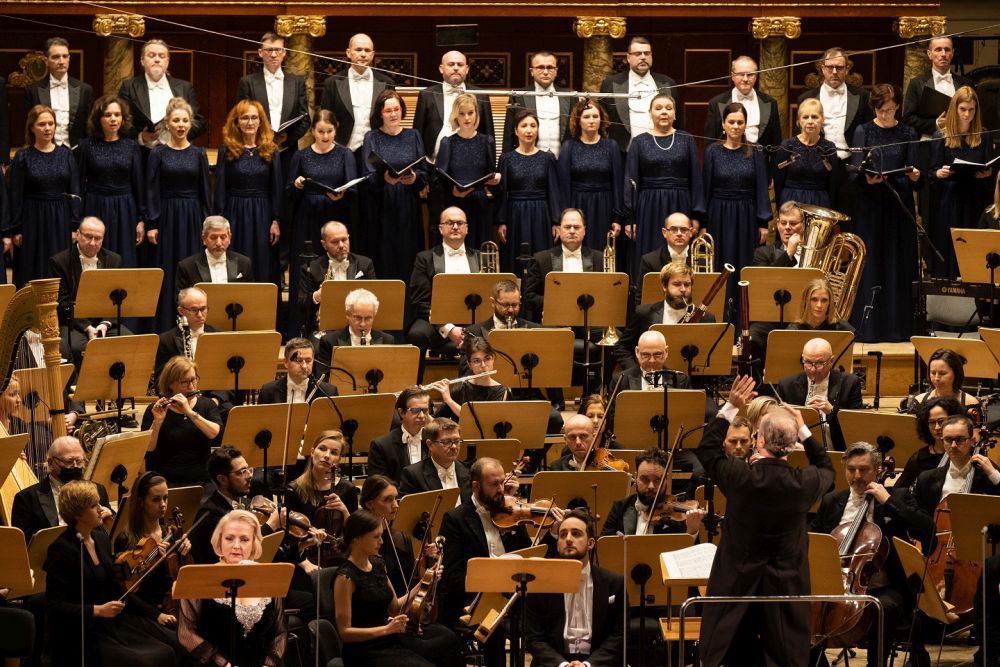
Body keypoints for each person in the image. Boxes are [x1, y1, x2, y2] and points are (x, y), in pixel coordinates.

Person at [696, 374, 834, 667]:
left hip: (736, 585)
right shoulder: (804, 483)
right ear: (792, 443)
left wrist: (730, 407)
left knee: (732, 657)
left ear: (758, 440)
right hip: (784, 586)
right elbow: (827, 467)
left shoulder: (740, 476)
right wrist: (804, 430)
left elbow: (707, 449)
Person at [809, 442, 928, 667]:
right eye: (851, 469)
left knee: (883, 607)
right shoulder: (832, 501)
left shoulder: (897, 496)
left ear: (878, 470)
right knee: (800, 607)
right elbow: (815, 542)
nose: (857, 476)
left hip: (886, 586)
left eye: (863, 470)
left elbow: (926, 529)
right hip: (837, 583)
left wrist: (888, 501)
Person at [44, 480, 177, 666]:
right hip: (81, 632)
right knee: (143, 660)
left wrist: (154, 614)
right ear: (77, 514)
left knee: (166, 651)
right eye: (93, 506)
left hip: (111, 625)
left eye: (99, 503)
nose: (101, 509)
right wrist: (98, 610)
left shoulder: (101, 539)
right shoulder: (61, 550)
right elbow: (54, 606)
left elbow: (118, 586)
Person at [910, 414, 1000, 666]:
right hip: (938, 551)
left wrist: (994, 474)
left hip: (979, 552)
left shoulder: (988, 474)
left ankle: (986, 653)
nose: (953, 446)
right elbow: (917, 517)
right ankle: (917, 652)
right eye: (948, 440)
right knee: (908, 576)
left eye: (959, 440)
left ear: (972, 440)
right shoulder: (930, 479)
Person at [439, 457, 546, 667]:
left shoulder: (511, 511)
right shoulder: (455, 519)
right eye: (494, 484)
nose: (501, 489)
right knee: (493, 628)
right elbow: (453, 576)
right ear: (476, 486)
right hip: (474, 602)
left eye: (502, 482)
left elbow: (528, 554)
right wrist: (489, 585)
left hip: (516, 594)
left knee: (547, 613)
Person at [333, 509, 463, 667]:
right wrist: (387, 629)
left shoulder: (377, 564)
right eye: (376, 537)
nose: (381, 541)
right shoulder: (345, 577)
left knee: (447, 640)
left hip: (389, 637)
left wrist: (425, 581)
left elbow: (395, 608)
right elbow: (345, 633)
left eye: (381, 535)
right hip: (365, 650)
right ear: (357, 539)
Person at [848, 83, 921, 342]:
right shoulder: (863, 130)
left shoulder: (907, 131)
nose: (887, 114)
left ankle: (897, 328)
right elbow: (856, 168)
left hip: (898, 203)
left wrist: (915, 175)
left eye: (891, 109)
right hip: (871, 204)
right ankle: (869, 328)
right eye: (882, 110)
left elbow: (914, 168)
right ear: (874, 108)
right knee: (872, 262)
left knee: (897, 263)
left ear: (898, 106)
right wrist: (866, 179)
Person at [178, 510, 286, 666]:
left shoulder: (268, 579)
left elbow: (279, 633)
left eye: (244, 539)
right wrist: (224, 664)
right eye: (229, 538)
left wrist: (269, 664)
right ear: (219, 541)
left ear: (254, 544)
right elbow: (186, 633)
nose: (236, 546)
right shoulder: (197, 578)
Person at [285, 110, 358, 336]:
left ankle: (339, 324)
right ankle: (302, 328)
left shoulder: (345, 154)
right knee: (307, 269)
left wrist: (343, 195)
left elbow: (354, 188)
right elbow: (289, 193)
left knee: (334, 266)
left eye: (329, 131)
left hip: (335, 216)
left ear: (336, 130)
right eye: (320, 131)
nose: (325, 136)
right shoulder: (301, 155)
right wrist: (297, 185)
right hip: (308, 217)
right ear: (313, 131)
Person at [525, 510, 626, 667]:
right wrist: (562, 665)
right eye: (563, 535)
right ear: (557, 544)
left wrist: (588, 665)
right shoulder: (539, 584)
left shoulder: (614, 583)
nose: (568, 539)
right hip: (554, 662)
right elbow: (534, 638)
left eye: (576, 534)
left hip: (598, 661)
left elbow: (619, 635)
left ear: (591, 543)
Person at [145, 96, 211, 331]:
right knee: (168, 271)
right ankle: (166, 328)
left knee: (192, 269)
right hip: (168, 216)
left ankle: (194, 325)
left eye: (185, 120)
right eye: (176, 120)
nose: (181, 125)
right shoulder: (158, 153)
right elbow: (151, 190)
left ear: (190, 123)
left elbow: (205, 192)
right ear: (167, 124)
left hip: (192, 217)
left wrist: (206, 225)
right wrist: (152, 223)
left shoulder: (198, 154)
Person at [624, 93, 703, 278]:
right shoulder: (639, 142)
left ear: (675, 114)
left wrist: (697, 216)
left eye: (668, 108)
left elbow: (696, 179)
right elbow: (630, 181)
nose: (664, 112)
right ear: (650, 113)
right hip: (648, 207)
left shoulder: (687, 139)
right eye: (658, 108)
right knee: (650, 256)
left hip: (680, 204)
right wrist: (630, 218)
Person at [112, 471, 192, 647]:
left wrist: (185, 552)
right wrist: (157, 615)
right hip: (142, 614)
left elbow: (183, 577)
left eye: (165, 498)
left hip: (172, 607)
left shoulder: (169, 533)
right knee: (183, 644)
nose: (163, 505)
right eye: (156, 499)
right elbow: (124, 593)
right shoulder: (126, 540)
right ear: (140, 502)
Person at [703, 102, 771, 296]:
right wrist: (703, 222)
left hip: (746, 215)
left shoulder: (756, 151)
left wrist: (763, 223)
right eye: (731, 121)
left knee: (745, 262)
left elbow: (761, 189)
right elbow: (706, 187)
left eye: (740, 122)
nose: (735, 126)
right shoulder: (712, 151)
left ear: (745, 125)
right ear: (723, 124)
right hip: (719, 214)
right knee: (719, 263)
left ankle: (743, 317)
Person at [7, 104, 79, 286]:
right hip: (32, 218)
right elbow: (16, 195)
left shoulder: (66, 155)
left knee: (59, 268)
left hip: (59, 218)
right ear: (32, 127)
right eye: (41, 124)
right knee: (31, 267)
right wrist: (16, 229)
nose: (47, 128)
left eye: (50, 123)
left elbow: (74, 191)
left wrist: (74, 225)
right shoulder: (23, 156)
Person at [405, 206, 482, 377]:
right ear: (441, 228)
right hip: (436, 322)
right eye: (449, 223)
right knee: (417, 334)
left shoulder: (480, 257)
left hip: (473, 320)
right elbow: (419, 302)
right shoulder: (424, 258)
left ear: (467, 228)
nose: (455, 227)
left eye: (459, 223)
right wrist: (449, 329)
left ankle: (473, 393)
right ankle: (414, 391)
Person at [214, 99, 282, 285]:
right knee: (237, 261)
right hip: (235, 212)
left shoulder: (271, 150)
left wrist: (276, 220)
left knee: (263, 260)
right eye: (244, 118)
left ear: (261, 122)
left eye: (254, 118)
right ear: (236, 122)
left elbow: (276, 188)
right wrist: (221, 221)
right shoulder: (227, 150)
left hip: (263, 213)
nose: (250, 122)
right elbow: (221, 188)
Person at [48, 216, 131, 367]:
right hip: (73, 323)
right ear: (78, 234)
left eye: (97, 238)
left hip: (104, 322)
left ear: (103, 238)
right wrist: (88, 328)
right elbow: (62, 302)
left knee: (128, 340)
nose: (93, 243)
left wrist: (105, 324)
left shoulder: (114, 260)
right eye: (88, 237)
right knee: (77, 347)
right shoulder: (59, 262)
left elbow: (118, 299)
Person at [929, 85, 994, 278]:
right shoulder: (941, 135)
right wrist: (939, 173)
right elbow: (932, 172)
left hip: (975, 199)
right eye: (963, 109)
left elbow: (989, 168)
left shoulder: (983, 134)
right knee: (952, 245)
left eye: (971, 110)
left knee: (975, 248)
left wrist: (987, 174)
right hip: (951, 199)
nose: (967, 114)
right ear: (954, 109)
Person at [363, 90, 427, 281]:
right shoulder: (372, 137)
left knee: (409, 253)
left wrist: (415, 178)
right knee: (384, 255)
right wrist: (385, 178)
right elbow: (368, 175)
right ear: (380, 113)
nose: (393, 114)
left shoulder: (413, 135)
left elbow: (424, 171)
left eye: (396, 109)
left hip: (408, 203)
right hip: (382, 204)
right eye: (388, 110)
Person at [76, 94, 144, 266]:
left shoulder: (131, 146)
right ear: (98, 119)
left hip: (125, 208)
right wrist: (77, 219)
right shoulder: (86, 146)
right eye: (107, 115)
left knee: (123, 257)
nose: (113, 119)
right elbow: (78, 184)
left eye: (117, 114)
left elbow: (138, 185)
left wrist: (141, 219)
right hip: (95, 205)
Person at [615, 261, 716, 371]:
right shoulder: (644, 313)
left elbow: (712, 357)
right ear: (664, 286)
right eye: (677, 284)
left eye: (687, 284)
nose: (683, 289)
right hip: (651, 379)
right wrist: (636, 373)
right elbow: (622, 347)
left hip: (691, 380)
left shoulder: (706, 318)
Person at [285, 429, 357, 580]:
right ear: (312, 452)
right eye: (322, 448)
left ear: (339, 459)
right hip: (304, 560)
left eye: (334, 452)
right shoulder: (294, 489)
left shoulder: (347, 489)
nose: (327, 455)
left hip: (341, 558)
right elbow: (287, 538)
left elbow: (355, 534)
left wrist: (344, 511)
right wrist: (304, 563)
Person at [188, 447, 280, 564]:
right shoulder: (210, 515)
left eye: (248, 469)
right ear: (222, 479)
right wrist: (271, 526)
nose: (249, 476)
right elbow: (234, 555)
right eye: (241, 472)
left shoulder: (247, 502)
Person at [11, 435, 113, 541]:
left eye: (79, 461)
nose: (75, 466)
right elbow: (24, 544)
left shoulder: (98, 489)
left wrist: (109, 516)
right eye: (69, 462)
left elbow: (112, 534)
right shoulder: (26, 498)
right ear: (51, 463)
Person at [496, 108, 561, 271]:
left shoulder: (547, 158)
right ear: (516, 130)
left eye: (533, 126)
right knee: (515, 257)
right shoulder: (507, 158)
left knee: (540, 257)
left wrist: (556, 221)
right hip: (514, 214)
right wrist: (501, 221)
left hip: (541, 214)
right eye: (524, 126)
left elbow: (553, 191)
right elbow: (502, 192)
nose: (529, 130)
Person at [141, 356, 222, 487]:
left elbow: (214, 433)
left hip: (203, 481)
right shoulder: (155, 409)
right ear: (170, 384)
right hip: (167, 483)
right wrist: (158, 421)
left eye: (194, 380)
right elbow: (149, 448)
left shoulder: (207, 405)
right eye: (185, 382)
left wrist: (189, 412)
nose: (191, 387)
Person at [557, 97, 625, 253]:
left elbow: (617, 183)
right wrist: (565, 216)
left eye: (595, 116)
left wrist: (617, 218)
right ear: (578, 120)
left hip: (604, 205)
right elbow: (564, 185)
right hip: (577, 203)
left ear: (601, 120)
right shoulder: (569, 146)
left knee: (602, 250)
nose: (592, 120)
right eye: (586, 117)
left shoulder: (611, 145)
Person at [236, 31, 309, 173]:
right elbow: (240, 118)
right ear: (260, 52)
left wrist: (285, 142)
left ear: (284, 52)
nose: (273, 55)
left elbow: (305, 119)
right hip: (256, 149)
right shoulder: (247, 82)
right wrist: (263, 141)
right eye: (269, 50)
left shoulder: (297, 82)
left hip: (288, 151)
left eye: (278, 50)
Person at [775, 337, 863, 451]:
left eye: (819, 363)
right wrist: (805, 415)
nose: (812, 369)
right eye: (807, 362)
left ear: (831, 361)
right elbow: (776, 424)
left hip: (837, 451)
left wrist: (832, 411)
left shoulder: (850, 383)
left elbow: (856, 425)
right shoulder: (786, 385)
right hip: (799, 450)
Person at [436, 94, 500, 249]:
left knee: (479, 247)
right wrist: (453, 191)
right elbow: (438, 178)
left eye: (470, 113)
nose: (466, 118)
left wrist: (496, 179)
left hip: (479, 202)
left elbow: (491, 173)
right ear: (455, 116)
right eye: (462, 113)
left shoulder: (487, 141)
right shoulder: (448, 142)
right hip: (455, 202)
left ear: (476, 114)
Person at [600, 36, 682, 152]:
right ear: (628, 57)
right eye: (638, 54)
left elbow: (678, 122)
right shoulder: (611, 83)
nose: (643, 57)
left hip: (662, 151)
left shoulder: (668, 83)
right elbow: (603, 122)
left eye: (647, 53)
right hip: (623, 153)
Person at [412, 50, 495, 163]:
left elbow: (488, 132)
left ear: (467, 69)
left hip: (473, 164)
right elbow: (417, 133)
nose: (456, 68)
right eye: (451, 64)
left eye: (460, 65)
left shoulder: (481, 95)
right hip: (433, 164)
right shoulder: (427, 95)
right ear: (441, 68)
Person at [118, 39, 205, 146]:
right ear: (142, 60)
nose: (157, 59)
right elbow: (121, 121)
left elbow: (199, 123)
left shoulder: (185, 87)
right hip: (142, 154)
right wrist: (140, 136)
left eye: (162, 56)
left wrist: (179, 136)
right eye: (151, 55)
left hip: (176, 152)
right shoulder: (129, 86)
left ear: (167, 61)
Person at [601, 447, 705, 536]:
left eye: (657, 480)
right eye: (645, 479)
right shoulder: (620, 508)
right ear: (636, 477)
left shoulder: (678, 517)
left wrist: (692, 530)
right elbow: (605, 548)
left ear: (666, 479)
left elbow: (686, 555)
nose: (651, 486)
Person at [320, 33, 396, 155]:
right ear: (348, 53)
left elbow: (392, 118)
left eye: (367, 50)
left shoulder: (387, 83)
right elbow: (325, 119)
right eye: (358, 49)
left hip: (378, 150)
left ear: (372, 55)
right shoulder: (332, 83)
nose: (363, 54)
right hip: (342, 149)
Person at [298, 220, 376, 336]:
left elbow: (375, 297)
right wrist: (317, 296)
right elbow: (302, 304)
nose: (341, 245)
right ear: (324, 244)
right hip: (324, 328)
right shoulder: (311, 268)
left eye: (344, 240)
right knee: (319, 348)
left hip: (359, 324)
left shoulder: (365, 264)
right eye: (335, 242)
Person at [522, 208, 603, 320]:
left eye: (577, 227)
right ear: (559, 230)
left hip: (589, 321)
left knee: (618, 337)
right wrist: (559, 303)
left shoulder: (599, 259)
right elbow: (529, 298)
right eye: (567, 227)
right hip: (554, 321)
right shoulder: (541, 259)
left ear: (584, 231)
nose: (572, 231)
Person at [797, 47, 873, 162]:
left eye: (839, 67)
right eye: (829, 67)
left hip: (851, 163)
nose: (834, 72)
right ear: (822, 69)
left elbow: (870, 133)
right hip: (817, 163)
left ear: (847, 69)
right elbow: (801, 135)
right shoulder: (806, 98)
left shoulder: (863, 96)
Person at [24, 37, 93, 148]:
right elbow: (29, 127)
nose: (61, 61)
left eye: (65, 56)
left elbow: (89, 127)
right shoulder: (33, 91)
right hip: (44, 151)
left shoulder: (85, 90)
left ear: (69, 58)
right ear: (46, 60)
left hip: (76, 152)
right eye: (56, 57)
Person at [360, 474, 423, 595]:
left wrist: (426, 562)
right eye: (388, 500)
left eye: (396, 498)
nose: (396, 505)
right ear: (369, 504)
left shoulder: (401, 537)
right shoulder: (362, 541)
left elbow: (412, 578)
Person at [772, 98, 842, 208]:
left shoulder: (829, 147)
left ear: (822, 120)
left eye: (814, 117)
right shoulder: (787, 146)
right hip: (791, 202)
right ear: (799, 121)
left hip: (820, 202)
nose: (810, 121)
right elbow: (778, 180)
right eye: (805, 117)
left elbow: (833, 184)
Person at [703, 56, 782, 153]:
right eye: (741, 74)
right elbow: (709, 142)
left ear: (756, 76)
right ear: (732, 76)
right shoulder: (716, 103)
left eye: (750, 75)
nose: (745, 79)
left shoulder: (770, 103)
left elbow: (776, 143)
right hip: (725, 161)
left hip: (760, 162)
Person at [502, 51, 571, 156]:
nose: (546, 72)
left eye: (550, 67)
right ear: (532, 71)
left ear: (556, 71)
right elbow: (509, 135)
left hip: (562, 162)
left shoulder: (569, 96)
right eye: (540, 67)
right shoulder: (518, 96)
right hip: (527, 161)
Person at [315, 287, 395, 373]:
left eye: (368, 318)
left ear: (374, 315)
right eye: (358, 318)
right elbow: (323, 380)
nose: (363, 324)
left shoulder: (387, 341)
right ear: (348, 315)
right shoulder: (329, 342)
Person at [431, 336, 509, 420]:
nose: (483, 365)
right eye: (477, 361)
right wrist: (422, 408)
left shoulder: (501, 391)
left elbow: (481, 422)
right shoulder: (460, 387)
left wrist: (449, 401)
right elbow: (437, 421)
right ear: (469, 364)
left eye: (487, 359)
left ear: (493, 359)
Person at [398, 417, 472, 504]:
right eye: (446, 442)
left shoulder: (470, 471)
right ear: (430, 444)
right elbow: (408, 512)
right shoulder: (413, 475)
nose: (454, 447)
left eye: (457, 441)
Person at [895, 396, 963, 491]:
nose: (937, 427)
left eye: (941, 421)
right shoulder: (919, 458)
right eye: (931, 422)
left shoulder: (966, 453)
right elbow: (898, 490)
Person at [153, 287, 219, 384]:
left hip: (213, 398)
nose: (200, 315)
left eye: (203, 309)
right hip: (182, 396)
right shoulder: (166, 340)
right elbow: (161, 381)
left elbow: (228, 378)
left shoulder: (219, 337)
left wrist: (215, 399)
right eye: (194, 310)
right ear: (181, 311)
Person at [173, 215, 254, 293]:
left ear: (229, 238)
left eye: (223, 237)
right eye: (213, 237)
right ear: (204, 238)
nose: (219, 243)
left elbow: (250, 296)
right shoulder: (186, 266)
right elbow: (180, 300)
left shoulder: (244, 263)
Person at [368, 386, 430, 485]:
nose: (422, 416)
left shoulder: (435, 440)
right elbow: (379, 487)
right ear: (401, 412)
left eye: (425, 410)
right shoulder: (381, 446)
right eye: (415, 411)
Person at [259, 336, 339, 404]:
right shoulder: (268, 392)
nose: (304, 366)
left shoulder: (328, 392)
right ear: (286, 362)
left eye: (308, 361)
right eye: (298, 361)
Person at [903, 347, 979, 410]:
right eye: (933, 373)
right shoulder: (919, 401)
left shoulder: (970, 403)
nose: (936, 378)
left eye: (942, 373)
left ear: (956, 373)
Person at [636, 212, 695, 280]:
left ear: (690, 232)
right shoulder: (649, 261)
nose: (679, 233)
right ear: (664, 232)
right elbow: (642, 290)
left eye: (684, 229)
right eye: (674, 229)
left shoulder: (705, 261)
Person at [787, 277, 855, 333]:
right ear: (806, 301)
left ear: (830, 303)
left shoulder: (843, 329)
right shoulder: (794, 330)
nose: (819, 305)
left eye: (824, 300)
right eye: (814, 299)